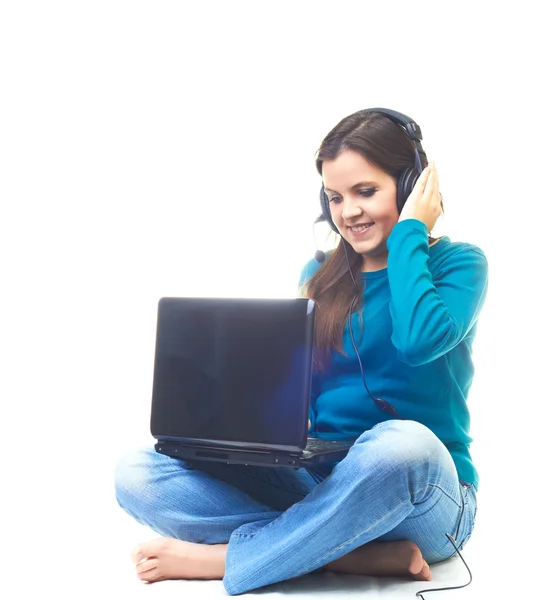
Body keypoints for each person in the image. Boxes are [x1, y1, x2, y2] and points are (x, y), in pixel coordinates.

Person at [114, 108, 488, 596]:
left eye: (366, 192)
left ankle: (230, 559)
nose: (348, 211)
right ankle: (349, 553)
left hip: (424, 496)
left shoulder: (458, 265)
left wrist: (409, 234)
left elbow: (418, 342)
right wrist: (242, 432)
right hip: (323, 485)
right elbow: (298, 400)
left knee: (400, 443)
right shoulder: (318, 276)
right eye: (335, 197)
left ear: (411, 184)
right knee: (139, 471)